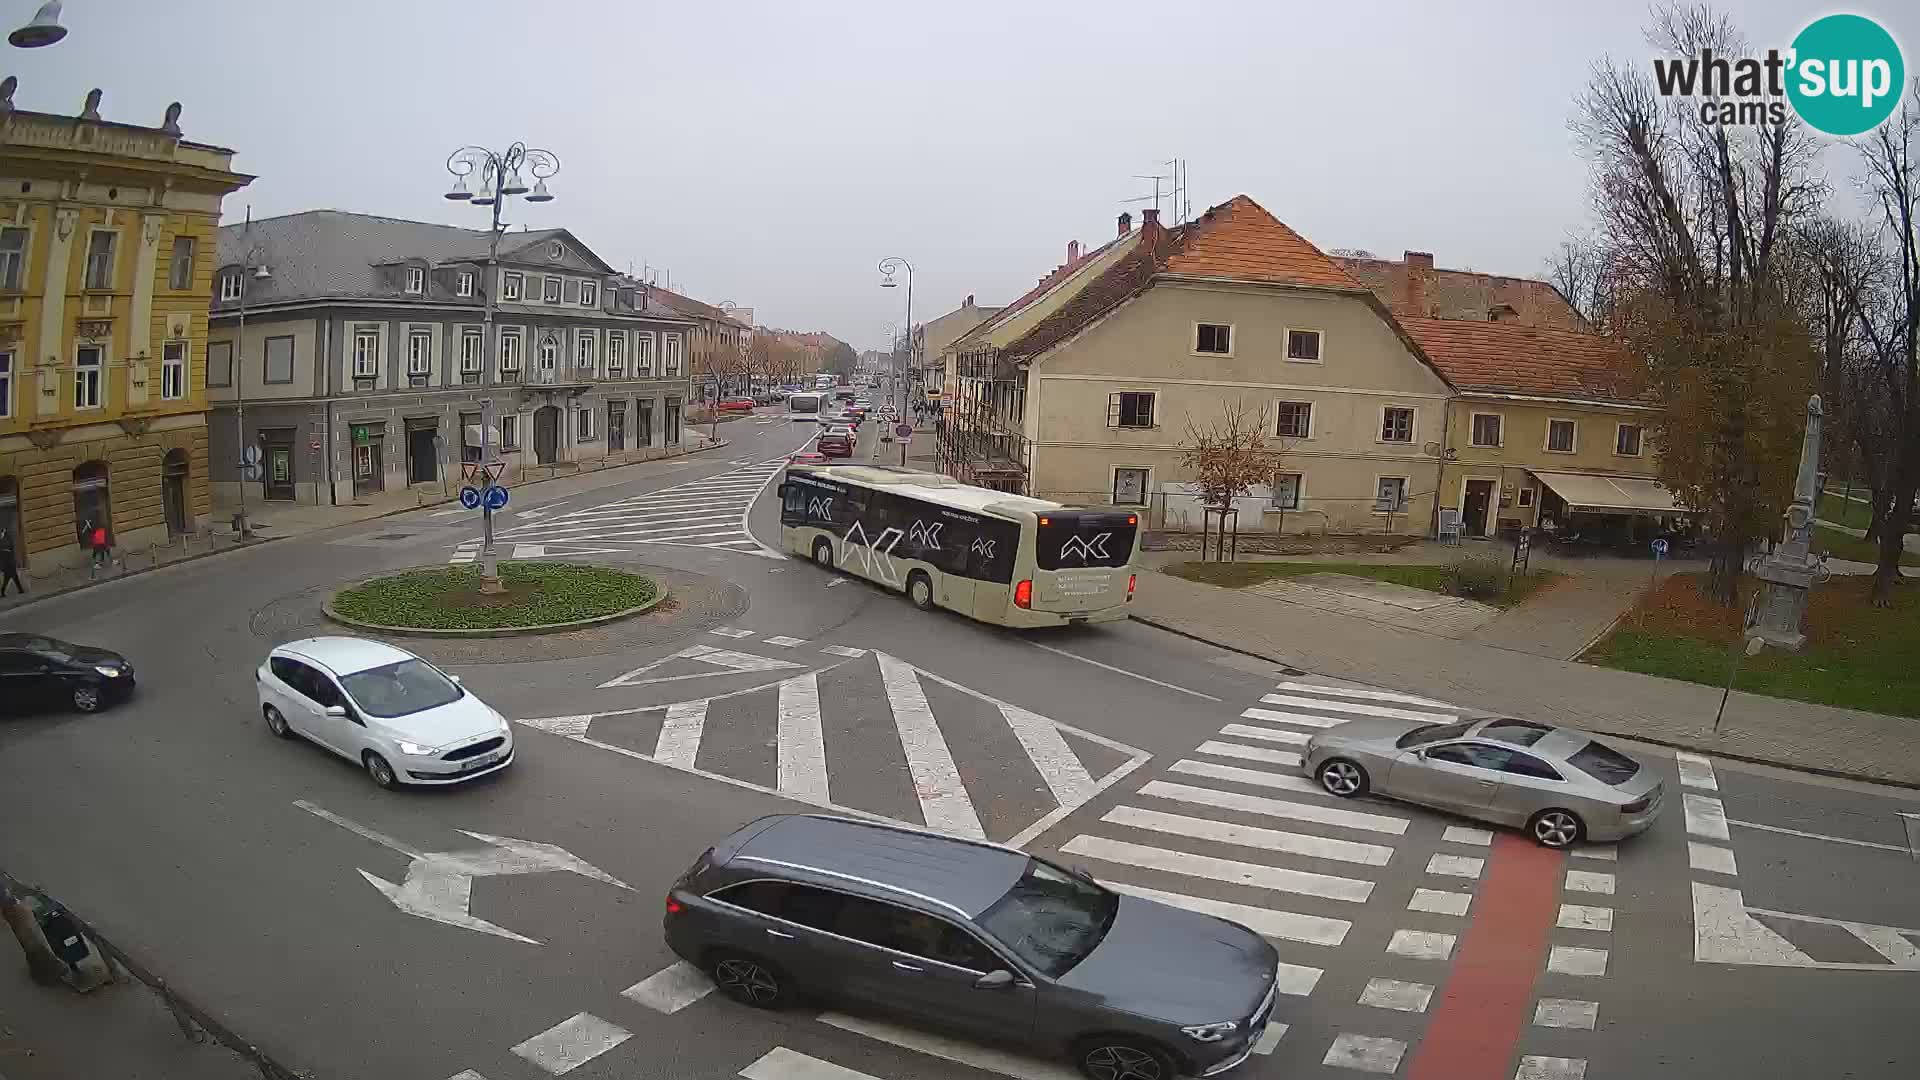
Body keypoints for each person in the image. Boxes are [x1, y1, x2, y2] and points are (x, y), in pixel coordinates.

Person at [0, 528, 23, 596]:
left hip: (9, 562)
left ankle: (3, 591)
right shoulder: (4, 540)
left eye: (2, 532)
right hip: (7, 563)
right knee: (12, 577)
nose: (2, 533)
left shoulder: (7, 540)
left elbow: (8, 548)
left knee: (10, 577)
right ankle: (20, 589)